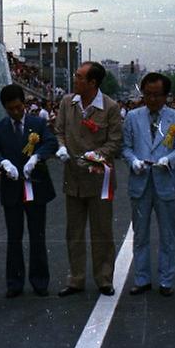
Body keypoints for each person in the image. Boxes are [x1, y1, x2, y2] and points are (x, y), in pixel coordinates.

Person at [55, 61, 124, 297]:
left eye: (79, 77)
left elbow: (115, 141)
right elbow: (59, 131)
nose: (75, 80)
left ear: (93, 82)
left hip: (98, 179)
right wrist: (61, 148)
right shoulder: (67, 103)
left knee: (102, 231)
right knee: (73, 232)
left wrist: (98, 156)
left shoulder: (110, 107)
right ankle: (76, 278)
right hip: (73, 177)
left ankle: (104, 278)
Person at [0, 84, 57, 297]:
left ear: (24, 104)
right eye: (10, 109)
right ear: (5, 108)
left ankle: (40, 281)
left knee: (38, 236)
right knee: (14, 237)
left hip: (36, 185)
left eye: (18, 107)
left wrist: (37, 157)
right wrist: (3, 163)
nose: (15, 112)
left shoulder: (38, 123)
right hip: (12, 188)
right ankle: (14, 283)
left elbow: (51, 143)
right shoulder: (0, 127)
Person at [121, 72, 175, 296]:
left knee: (167, 235)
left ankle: (166, 280)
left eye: (157, 95)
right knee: (140, 235)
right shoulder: (132, 116)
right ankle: (142, 278)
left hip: (165, 180)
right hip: (140, 180)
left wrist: (169, 159)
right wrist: (134, 161)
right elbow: (126, 147)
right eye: (147, 94)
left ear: (166, 95)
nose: (152, 99)